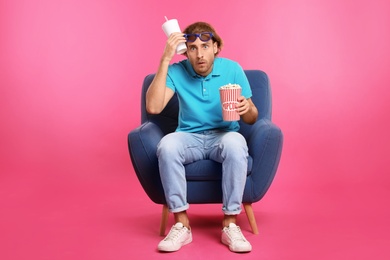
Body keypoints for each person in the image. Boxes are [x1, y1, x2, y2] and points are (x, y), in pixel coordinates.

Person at [146, 21, 258, 253]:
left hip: (225, 135)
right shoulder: (177, 71)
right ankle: (181, 223)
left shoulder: (233, 69)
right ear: (185, 52)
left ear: (216, 47)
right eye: (193, 49)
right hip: (189, 138)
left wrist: (247, 108)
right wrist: (165, 59)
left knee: (237, 144)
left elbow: (252, 118)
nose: (199, 54)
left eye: (205, 47)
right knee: (167, 146)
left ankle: (230, 222)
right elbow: (154, 108)